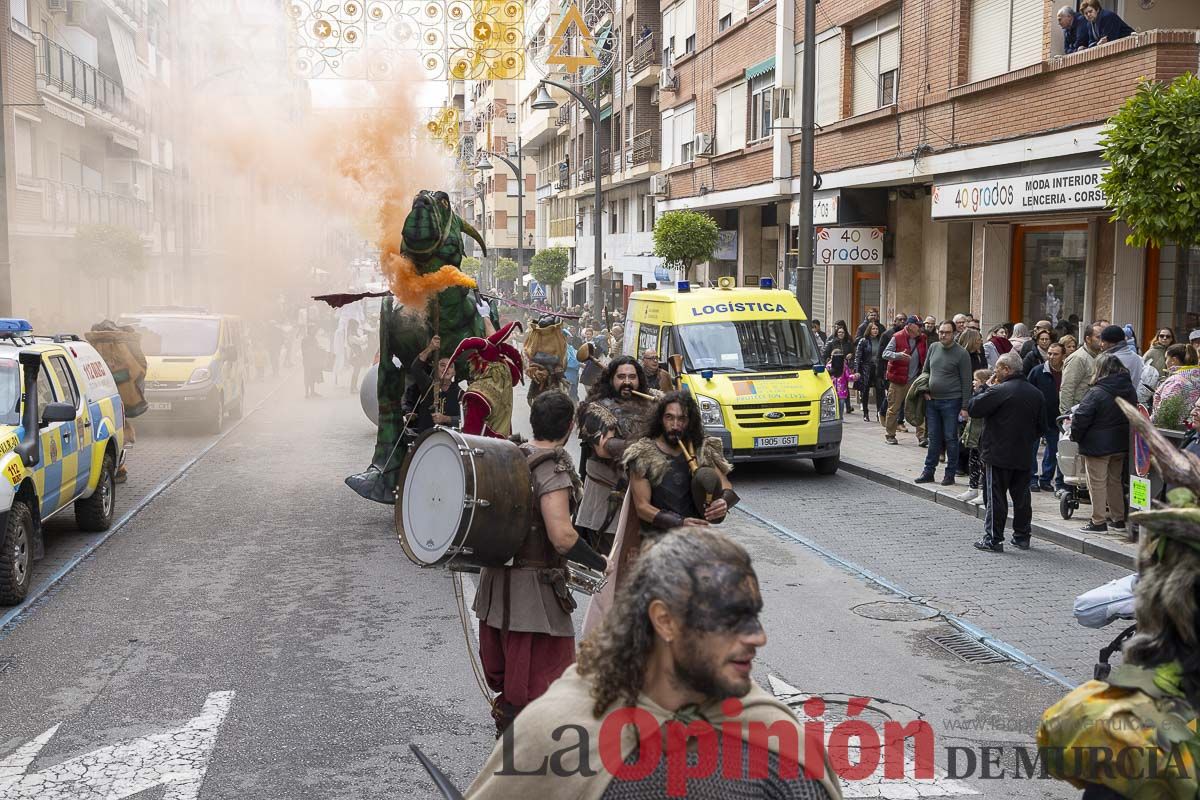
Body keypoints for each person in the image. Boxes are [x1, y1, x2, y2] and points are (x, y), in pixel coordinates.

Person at [467, 529, 844, 799]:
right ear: (664, 620)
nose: (758, 637)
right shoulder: (557, 732)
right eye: (731, 619)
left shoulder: (772, 737)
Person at [472, 391, 607, 736]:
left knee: (514, 681)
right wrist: (599, 562)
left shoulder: (511, 457)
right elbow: (562, 536)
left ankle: (513, 747)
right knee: (543, 684)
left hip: (497, 586)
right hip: (533, 596)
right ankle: (534, 759)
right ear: (570, 426)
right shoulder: (553, 468)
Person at [624, 391, 736, 535]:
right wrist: (679, 523)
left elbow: (725, 483)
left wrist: (724, 502)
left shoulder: (702, 449)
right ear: (660, 419)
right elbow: (642, 507)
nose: (675, 425)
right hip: (657, 540)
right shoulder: (643, 453)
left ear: (690, 421)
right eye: (669, 417)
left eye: (682, 419)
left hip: (695, 538)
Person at [967, 352, 1044, 553]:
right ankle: (1022, 536)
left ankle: (993, 538)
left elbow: (974, 408)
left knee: (995, 497)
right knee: (1022, 497)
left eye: (997, 369)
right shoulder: (1036, 393)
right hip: (1023, 452)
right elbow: (1042, 426)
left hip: (997, 453)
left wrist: (983, 388)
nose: (994, 372)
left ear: (1007, 370)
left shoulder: (999, 390)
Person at [575, 356, 655, 553]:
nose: (627, 382)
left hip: (646, 498)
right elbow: (603, 448)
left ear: (640, 379)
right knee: (609, 562)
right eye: (621, 376)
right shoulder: (597, 408)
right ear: (611, 379)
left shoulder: (653, 403)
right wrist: (649, 446)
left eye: (632, 377)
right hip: (608, 498)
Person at [1071, 354, 1137, 533]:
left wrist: (1075, 436)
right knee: (1114, 481)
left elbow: (1081, 417)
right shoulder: (1129, 390)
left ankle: (1098, 521)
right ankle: (1118, 518)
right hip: (1121, 443)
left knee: (1097, 483)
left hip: (1097, 446)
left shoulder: (1097, 391)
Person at [915, 321, 971, 485]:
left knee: (950, 438)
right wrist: (925, 390)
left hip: (952, 402)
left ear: (954, 333)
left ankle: (950, 474)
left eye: (946, 332)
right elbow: (926, 371)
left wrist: (965, 407)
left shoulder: (962, 354)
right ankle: (928, 472)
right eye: (941, 332)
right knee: (933, 437)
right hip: (932, 401)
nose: (943, 335)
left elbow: (966, 381)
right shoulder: (933, 347)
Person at [451, 321, 524, 439]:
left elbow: (471, 434)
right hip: (505, 445)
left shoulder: (476, 394)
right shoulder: (504, 382)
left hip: (486, 451)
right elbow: (515, 376)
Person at [1028, 342, 1067, 494]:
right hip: (1036, 417)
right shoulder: (1037, 371)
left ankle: (1046, 479)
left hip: (1055, 418)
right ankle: (1032, 479)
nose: (1051, 357)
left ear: (1063, 356)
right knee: (1032, 449)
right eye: (1049, 353)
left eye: (1055, 354)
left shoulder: (1067, 371)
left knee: (1053, 449)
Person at [401, 336, 462, 434]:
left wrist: (446, 419)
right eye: (442, 365)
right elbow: (416, 368)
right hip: (426, 443)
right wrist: (430, 348)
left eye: (450, 367)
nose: (445, 369)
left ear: (454, 372)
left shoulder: (460, 394)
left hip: (449, 444)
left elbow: (465, 420)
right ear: (435, 368)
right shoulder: (428, 386)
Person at [882, 316, 928, 445]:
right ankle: (890, 435)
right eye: (918, 325)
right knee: (893, 408)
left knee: (919, 409)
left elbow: (926, 356)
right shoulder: (897, 336)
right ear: (909, 325)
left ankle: (922, 436)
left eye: (921, 325)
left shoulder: (923, 338)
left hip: (915, 380)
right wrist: (898, 356)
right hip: (898, 380)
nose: (920, 328)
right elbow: (885, 354)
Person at [955, 368, 992, 505]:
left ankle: (983, 491)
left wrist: (984, 388)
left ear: (983, 382)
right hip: (974, 433)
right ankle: (973, 488)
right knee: (973, 461)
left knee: (982, 464)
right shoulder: (977, 393)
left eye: (976, 380)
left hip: (982, 435)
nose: (973, 382)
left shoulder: (986, 393)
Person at [1150, 343, 1200, 427]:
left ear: (1174, 360)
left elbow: (1165, 412)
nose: (1165, 362)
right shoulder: (1196, 376)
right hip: (1193, 429)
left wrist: (1149, 422)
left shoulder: (1175, 381)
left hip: (1173, 430)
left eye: (1166, 358)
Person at [1059, 322, 1104, 414]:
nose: (1102, 340)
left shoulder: (1100, 356)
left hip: (1092, 411)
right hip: (1079, 412)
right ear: (1088, 339)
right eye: (1098, 337)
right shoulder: (1078, 358)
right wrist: (1066, 416)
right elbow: (1067, 388)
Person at [854, 320, 886, 422]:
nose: (875, 331)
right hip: (866, 368)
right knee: (865, 391)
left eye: (876, 329)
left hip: (877, 368)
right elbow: (858, 357)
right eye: (873, 329)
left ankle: (879, 413)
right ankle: (865, 413)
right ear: (869, 330)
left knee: (880, 391)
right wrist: (857, 370)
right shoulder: (863, 341)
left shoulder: (880, 340)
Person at [300, 324, 325, 398]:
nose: (315, 331)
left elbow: (315, 347)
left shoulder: (313, 338)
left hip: (313, 360)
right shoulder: (306, 339)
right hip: (308, 361)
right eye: (314, 329)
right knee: (308, 376)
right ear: (310, 330)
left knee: (312, 376)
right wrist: (315, 349)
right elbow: (304, 350)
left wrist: (319, 349)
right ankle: (307, 393)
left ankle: (312, 392)